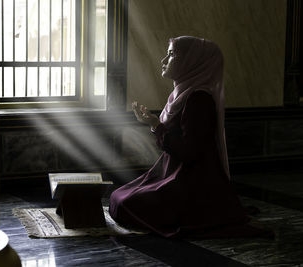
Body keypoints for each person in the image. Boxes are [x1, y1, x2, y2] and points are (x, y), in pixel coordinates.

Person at [109, 36, 263, 239]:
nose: (164, 60)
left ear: (192, 62)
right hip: (171, 171)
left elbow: (189, 152)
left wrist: (156, 125)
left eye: (172, 54)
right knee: (118, 197)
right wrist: (154, 124)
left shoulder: (199, 99)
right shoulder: (181, 94)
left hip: (191, 181)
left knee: (124, 203)